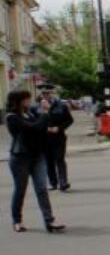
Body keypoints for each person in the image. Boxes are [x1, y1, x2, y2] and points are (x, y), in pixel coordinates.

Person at [5, 90, 65, 233]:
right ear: (18, 101)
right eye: (26, 99)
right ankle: (17, 220)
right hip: (20, 158)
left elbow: (42, 127)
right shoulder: (11, 117)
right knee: (20, 190)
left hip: (38, 156)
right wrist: (44, 113)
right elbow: (33, 128)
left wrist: (47, 118)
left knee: (42, 189)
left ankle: (49, 221)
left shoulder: (30, 113)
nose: (29, 102)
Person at [32, 84, 74, 190]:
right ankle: (53, 183)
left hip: (58, 137)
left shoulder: (61, 105)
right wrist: (44, 128)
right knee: (48, 161)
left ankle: (63, 182)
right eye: (43, 93)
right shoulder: (35, 107)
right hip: (44, 138)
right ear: (40, 94)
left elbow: (69, 120)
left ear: (52, 93)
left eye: (48, 93)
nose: (46, 95)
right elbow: (32, 123)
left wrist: (59, 128)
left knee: (60, 159)